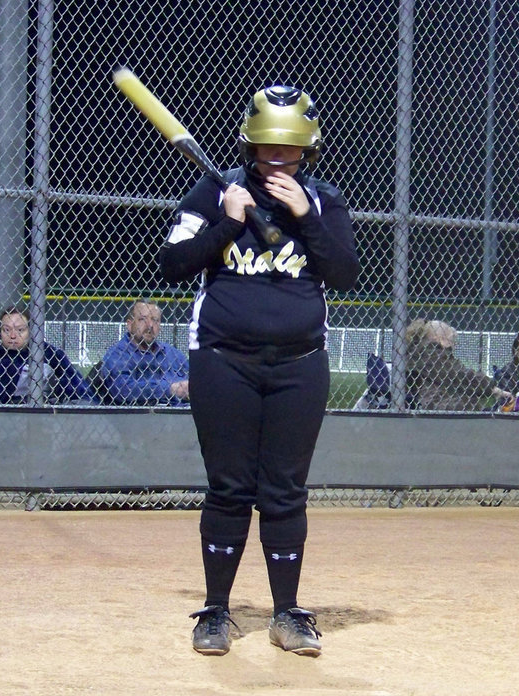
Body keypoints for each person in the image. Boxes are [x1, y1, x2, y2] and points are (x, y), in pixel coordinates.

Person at [160, 85, 359, 657]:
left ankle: (287, 614)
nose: (277, 158)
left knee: (285, 491)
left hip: (300, 365)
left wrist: (303, 216)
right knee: (229, 487)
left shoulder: (322, 200)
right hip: (224, 361)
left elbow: (344, 272)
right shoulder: (214, 190)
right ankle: (217, 612)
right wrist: (226, 225)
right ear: (250, 144)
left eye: (289, 149)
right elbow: (173, 264)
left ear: (308, 151)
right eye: (268, 146)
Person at [0, 306, 92, 404]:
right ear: (0, 331)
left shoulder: (49, 353)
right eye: (6, 330)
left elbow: (78, 388)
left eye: (20, 330)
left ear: (30, 331)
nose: (13, 336)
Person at [98, 299, 189, 406]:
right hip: (136, 418)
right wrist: (170, 389)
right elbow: (124, 391)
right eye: (142, 319)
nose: (150, 325)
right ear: (129, 324)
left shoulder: (173, 354)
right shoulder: (117, 355)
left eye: (155, 320)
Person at [406, 319, 511, 411]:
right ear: (441, 339)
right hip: (439, 409)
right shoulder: (432, 355)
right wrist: (491, 387)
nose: (453, 346)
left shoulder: (418, 353)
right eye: (451, 341)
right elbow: (462, 375)